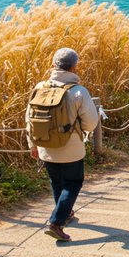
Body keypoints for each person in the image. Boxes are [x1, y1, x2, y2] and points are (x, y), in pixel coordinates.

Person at [27, 48, 99, 242]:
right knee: (73, 183)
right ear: (74, 67)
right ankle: (56, 222)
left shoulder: (40, 87)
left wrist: (32, 144)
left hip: (45, 146)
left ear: (53, 65)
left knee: (56, 181)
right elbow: (91, 123)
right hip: (71, 147)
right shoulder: (78, 91)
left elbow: (29, 119)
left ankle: (66, 213)